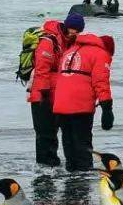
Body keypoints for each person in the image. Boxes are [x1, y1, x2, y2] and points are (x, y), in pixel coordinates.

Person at [53, 29, 114, 171]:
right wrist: (107, 108)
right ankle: (83, 179)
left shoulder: (70, 50)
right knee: (83, 144)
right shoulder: (100, 53)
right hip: (80, 105)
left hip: (60, 104)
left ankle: (71, 174)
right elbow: (101, 82)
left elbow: (60, 78)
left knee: (68, 142)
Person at [27, 14, 82, 166]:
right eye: (74, 29)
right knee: (45, 133)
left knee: (53, 132)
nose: (75, 33)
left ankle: (51, 164)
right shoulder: (48, 41)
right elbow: (42, 70)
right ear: (66, 26)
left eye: (79, 31)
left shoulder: (67, 42)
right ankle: (45, 166)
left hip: (56, 95)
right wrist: (44, 91)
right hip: (42, 95)